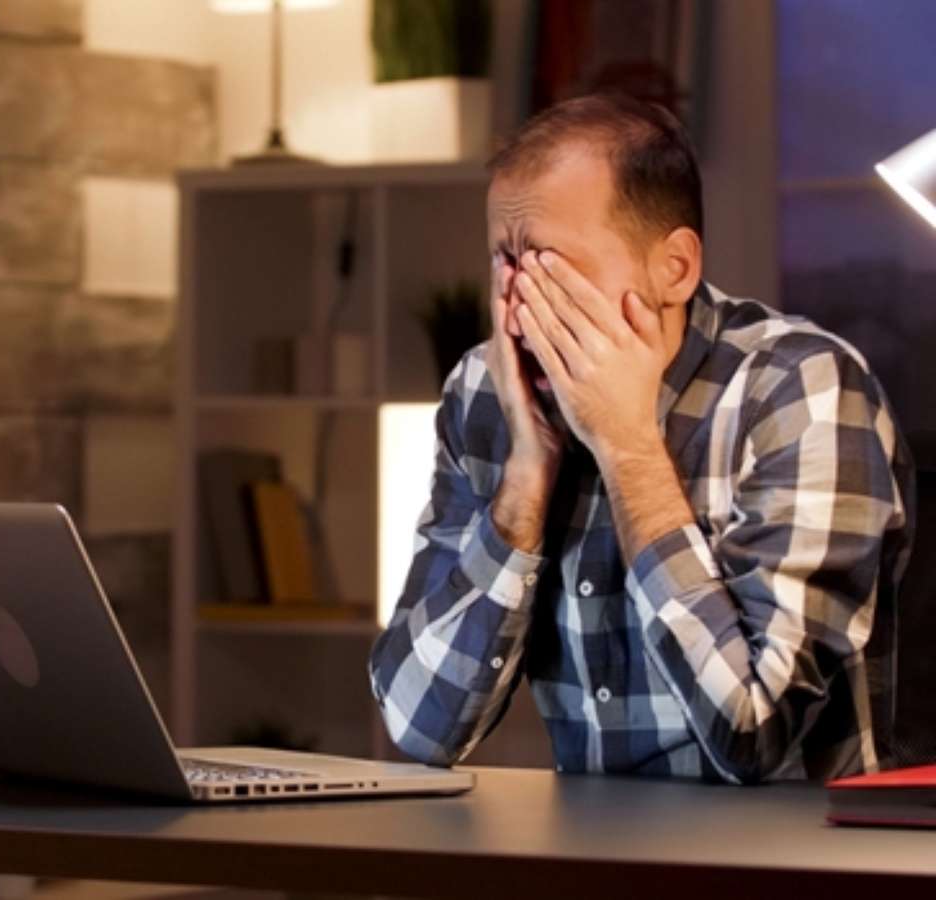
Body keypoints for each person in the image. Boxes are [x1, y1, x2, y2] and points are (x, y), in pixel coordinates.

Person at [368, 93, 914, 784]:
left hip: (792, 845)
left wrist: (628, 448)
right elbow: (419, 728)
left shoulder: (801, 389)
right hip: (591, 846)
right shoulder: (487, 394)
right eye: (506, 266)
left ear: (675, 269)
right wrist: (526, 478)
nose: (521, 312)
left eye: (550, 270)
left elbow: (756, 733)